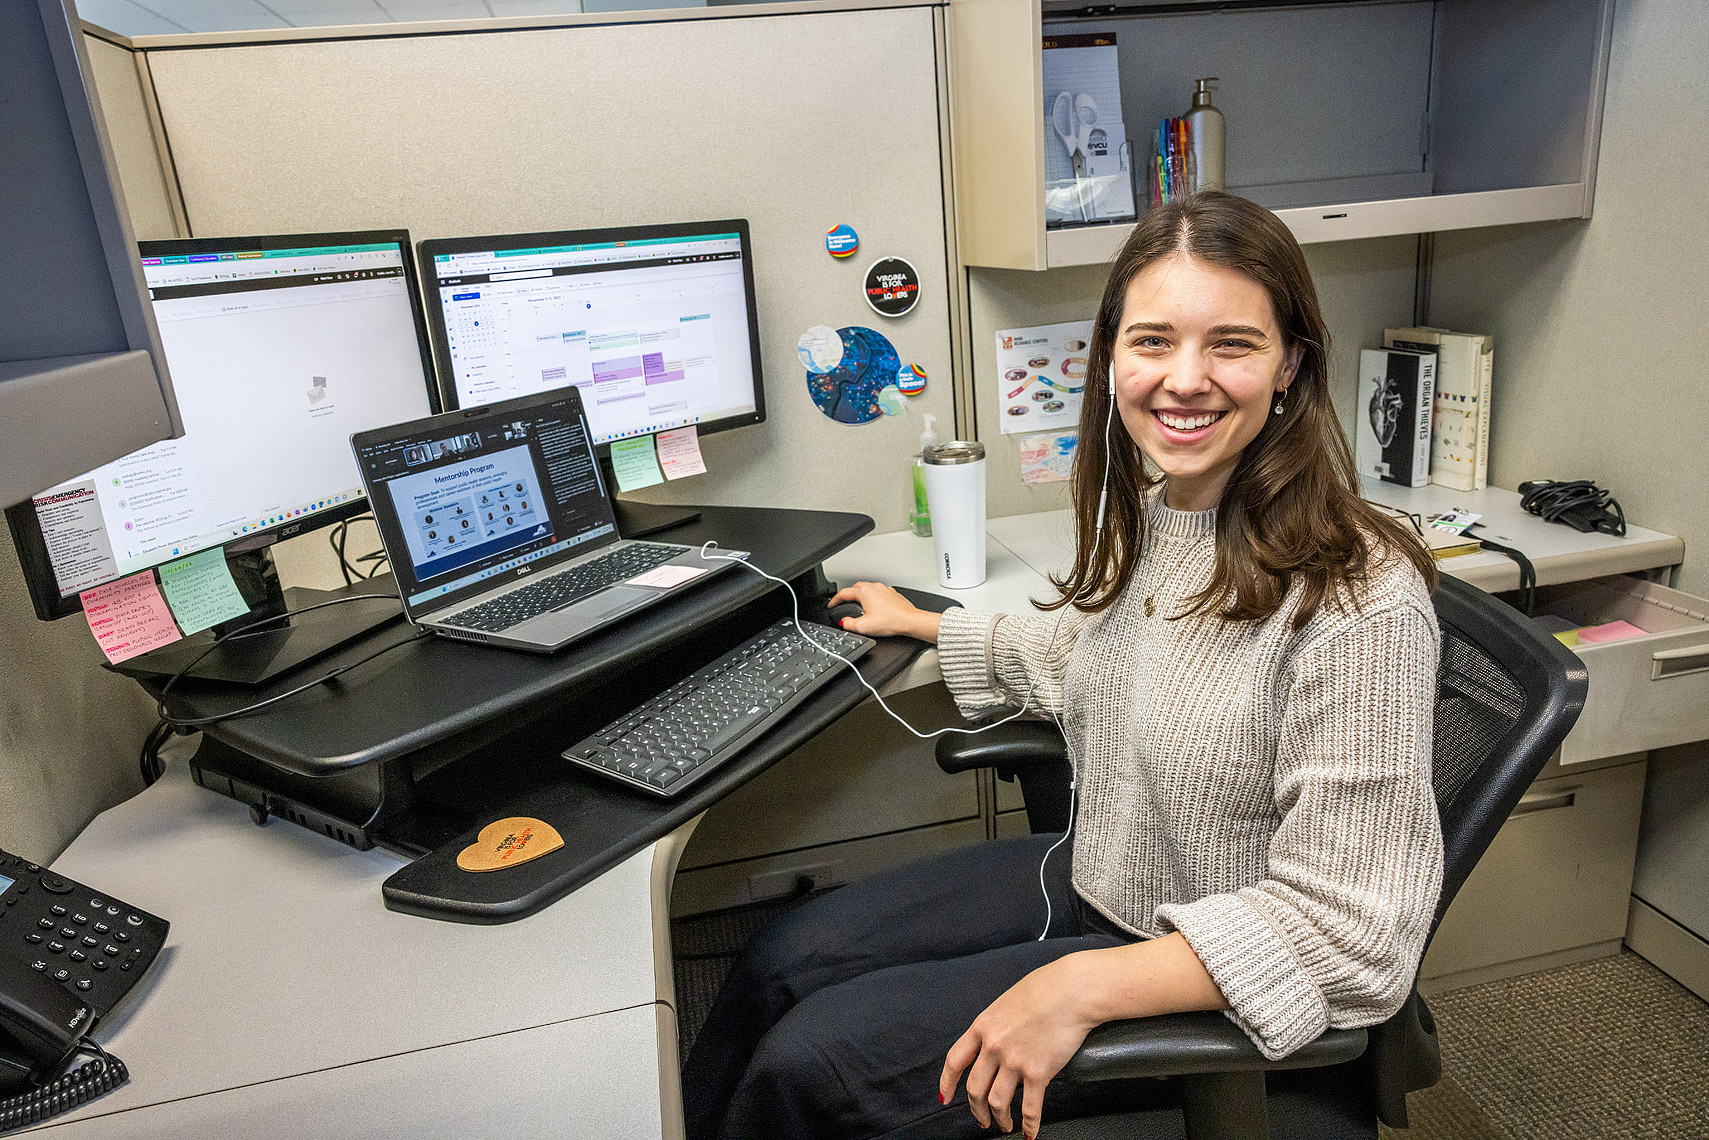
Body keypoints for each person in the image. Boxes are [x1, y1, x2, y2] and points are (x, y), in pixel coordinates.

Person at [680, 191, 1444, 1140]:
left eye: (1233, 345)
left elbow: (1355, 933)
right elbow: (1096, 657)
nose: (1185, 379)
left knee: (811, 1068)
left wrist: (1082, 986)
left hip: (1204, 971)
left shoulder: (1358, 599)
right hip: (1107, 882)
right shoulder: (1173, 511)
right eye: (1153, 341)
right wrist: (926, 625)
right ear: (1113, 356)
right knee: (778, 966)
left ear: (1290, 362)